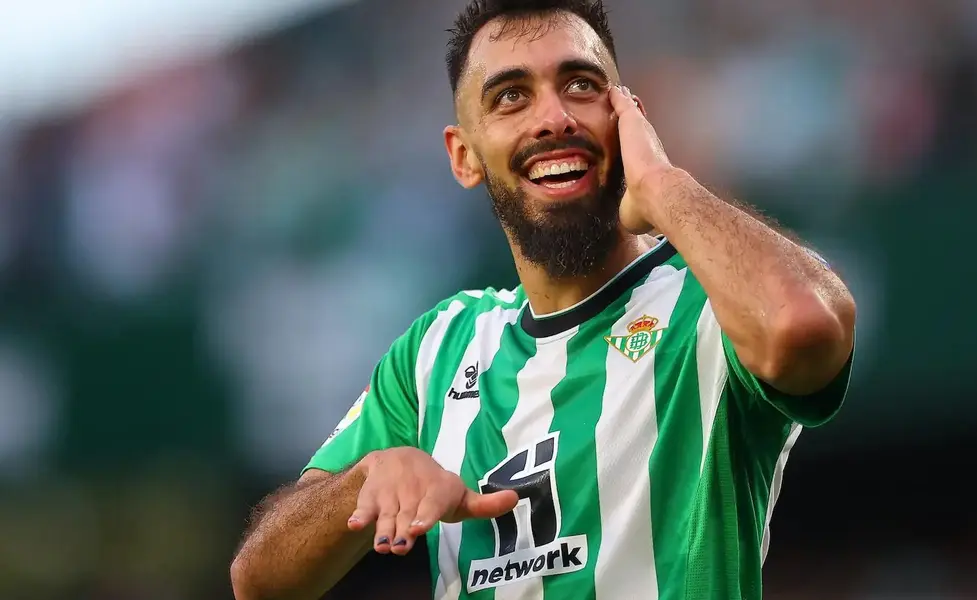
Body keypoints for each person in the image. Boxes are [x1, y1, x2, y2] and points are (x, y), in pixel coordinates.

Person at [229, 1, 856, 599]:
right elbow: (259, 580)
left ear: (628, 115)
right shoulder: (436, 350)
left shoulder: (708, 303)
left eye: (581, 85)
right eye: (510, 97)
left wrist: (665, 184)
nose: (553, 117)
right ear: (464, 155)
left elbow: (805, 327)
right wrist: (359, 486)